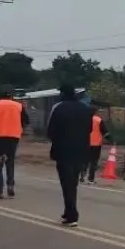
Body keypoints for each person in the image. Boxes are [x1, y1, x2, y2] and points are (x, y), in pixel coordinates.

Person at [47, 84, 93, 227]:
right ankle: (69, 211)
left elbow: (50, 131)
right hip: (81, 150)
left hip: (63, 151)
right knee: (73, 183)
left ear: (62, 94)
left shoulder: (59, 108)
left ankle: (72, 215)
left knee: (66, 183)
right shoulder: (85, 109)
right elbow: (90, 129)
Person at [0, 89, 29, 199]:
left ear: (0, 97)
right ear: (11, 97)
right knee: (10, 162)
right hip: (13, 137)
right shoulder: (18, 106)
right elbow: (26, 121)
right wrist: (20, 129)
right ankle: (10, 186)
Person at [80, 107, 110, 185]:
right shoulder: (98, 120)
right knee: (93, 162)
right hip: (96, 144)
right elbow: (105, 132)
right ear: (95, 112)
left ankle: (82, 177)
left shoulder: (84, 119)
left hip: (85, 143)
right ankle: (91, 179)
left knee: (84, 161)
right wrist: (111, 140)